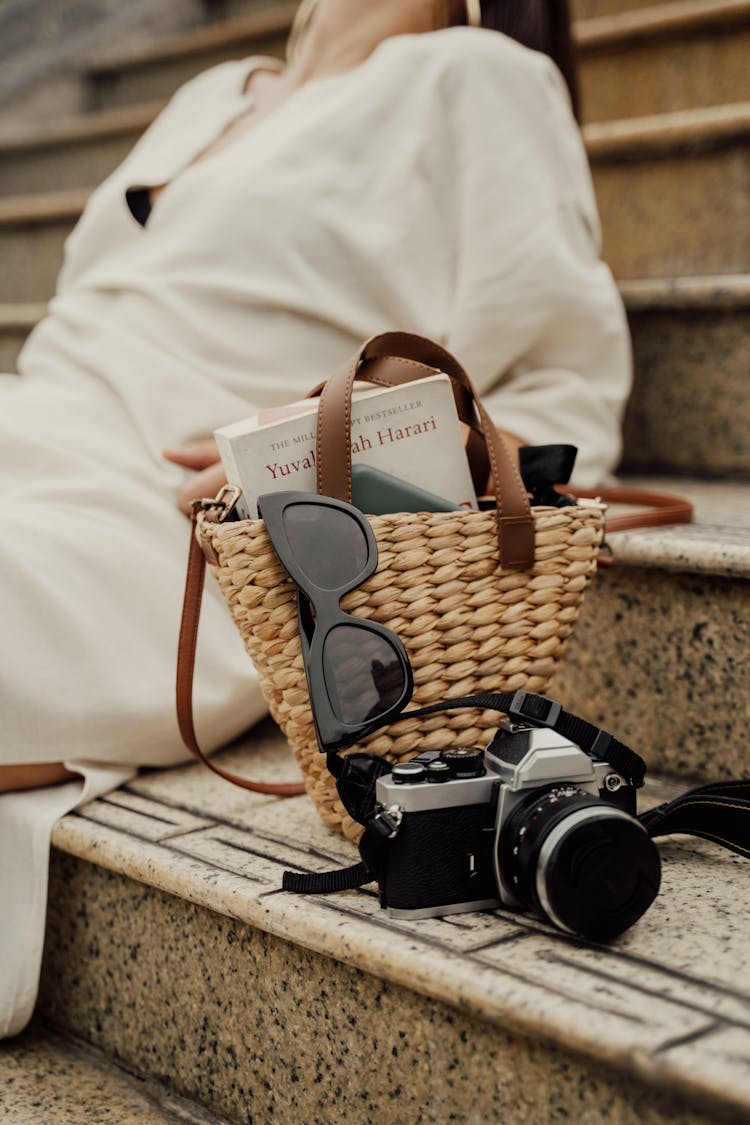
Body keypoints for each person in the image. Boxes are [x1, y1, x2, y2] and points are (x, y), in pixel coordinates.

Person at [0, 0, 631, 1036]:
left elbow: (564, 395)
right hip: (34, 415)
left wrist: (341, 436)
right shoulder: (214, 93)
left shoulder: (475, 76)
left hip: (184, 515)